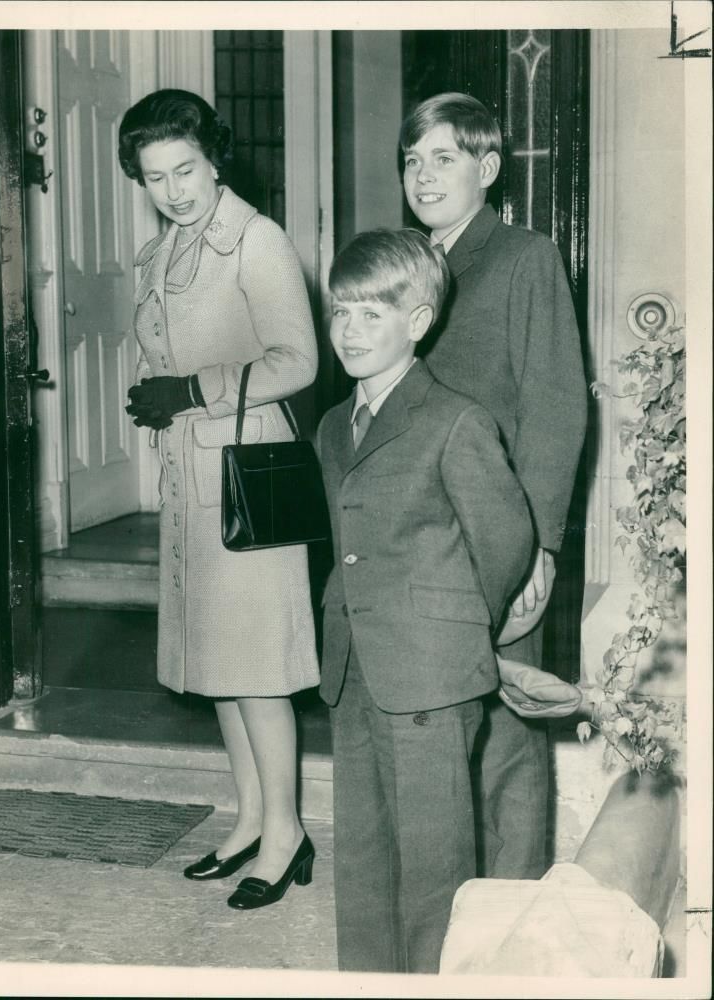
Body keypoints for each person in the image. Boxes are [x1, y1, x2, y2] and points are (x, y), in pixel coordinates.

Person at [118, 89, 318, 910]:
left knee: (260, 670)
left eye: (186, 169)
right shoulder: (160, 252)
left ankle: (287, 833)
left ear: (215, 159)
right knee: (222, 669)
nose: (173, 190)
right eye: (155, 176)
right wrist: (160, 395)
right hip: (187, 479)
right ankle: (248, 821)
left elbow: (298, 361)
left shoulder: (256, 242)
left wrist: (190, 388)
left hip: (246, 481)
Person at [316, 228, 534, 972]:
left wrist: (448, 627)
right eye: (340, 311)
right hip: (355, 667)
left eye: (370, 315)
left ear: (418, 321)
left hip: (432, 675)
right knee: (365, 854)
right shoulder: (330, 428)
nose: (348, 330)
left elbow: (504, 547)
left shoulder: (456, 422)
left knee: (435, 866)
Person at [399, 92, 588, 880]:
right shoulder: (408, 266)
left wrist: (539, 547)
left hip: (499, 536)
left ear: (486, 168)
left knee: (508, 733)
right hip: (422, 537)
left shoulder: (523, 257)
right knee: (442, 724)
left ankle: (511, 904)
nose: (423, 175)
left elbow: (555, 407)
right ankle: (450, 889)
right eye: (412, 160)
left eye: (443, 158)